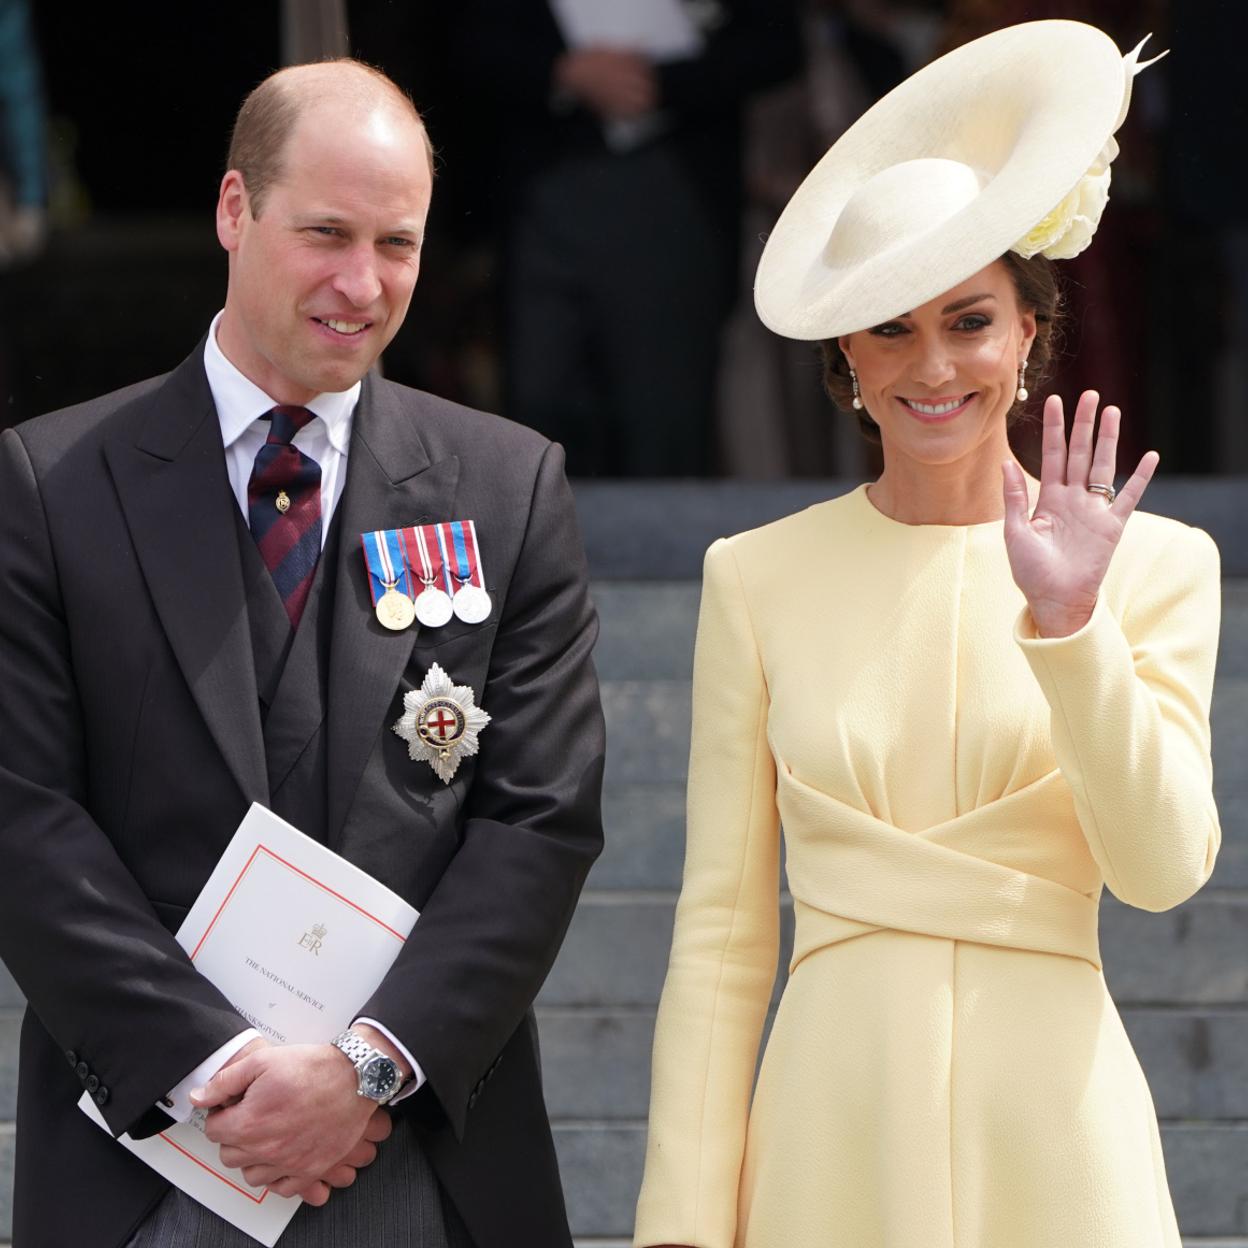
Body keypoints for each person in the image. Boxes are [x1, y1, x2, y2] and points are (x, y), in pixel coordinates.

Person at [634, 21, 1220, 1248]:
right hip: (830, 1137)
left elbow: (1163, 871)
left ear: (1027, 335)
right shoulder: (757, 576)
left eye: (968, 320)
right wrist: (683, 1222)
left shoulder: (1159, 568)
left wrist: (1071, 625)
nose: (932, 364)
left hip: (1058, 1134)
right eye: (892, 327)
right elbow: (723, 936)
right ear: (846, 352)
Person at [0, 59, 605, 1248]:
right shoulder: (50, 485)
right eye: (326, 233)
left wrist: (368, 1069)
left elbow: (540, 818)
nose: (362, 283)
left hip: (421, 1150)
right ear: (235, 210)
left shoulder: (505, 485)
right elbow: (21, 814)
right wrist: (212, 1064)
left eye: (398, 244)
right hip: (153, 1149)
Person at [459, 0, 802, 476]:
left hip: (674, 180)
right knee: (542, 405)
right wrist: (564, 72)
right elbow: (468, 40)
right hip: (543, 180)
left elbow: (775, 42)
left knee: (664, 417)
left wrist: (658, 81)